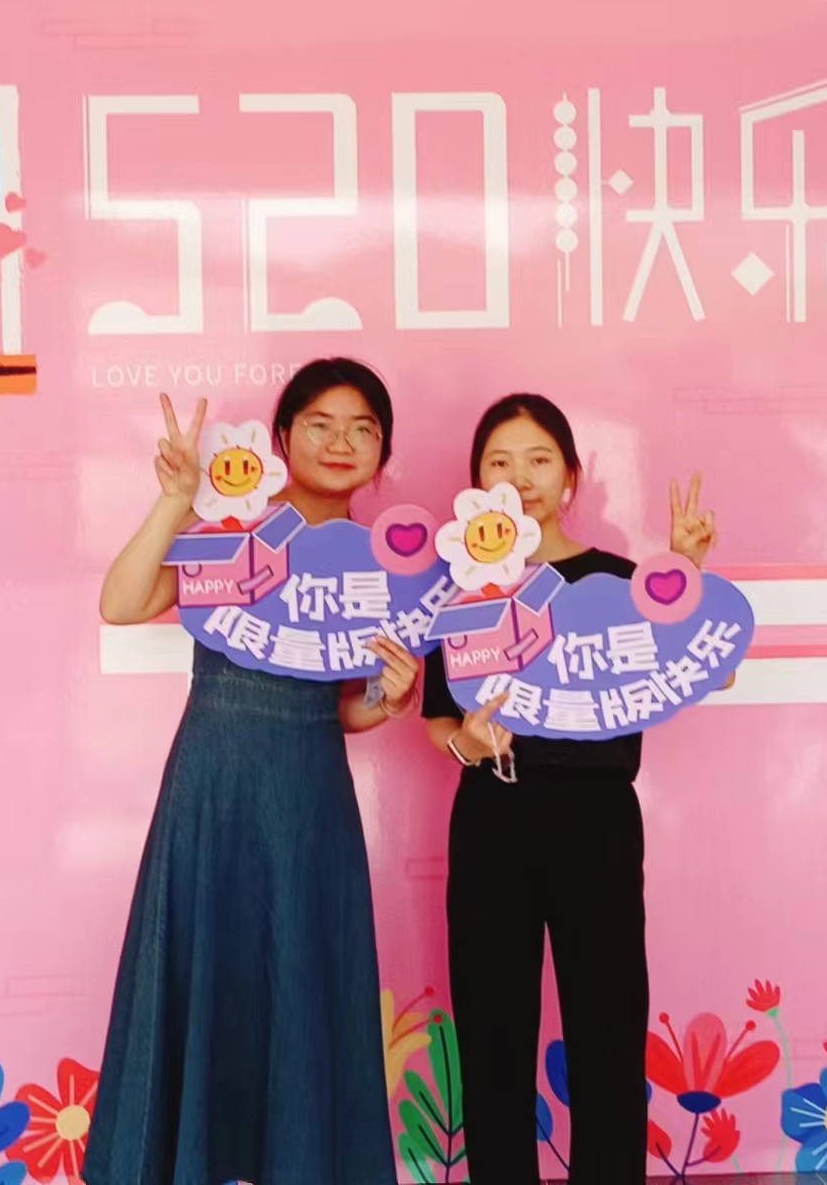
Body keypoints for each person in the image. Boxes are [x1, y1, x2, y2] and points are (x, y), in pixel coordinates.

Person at [86, 358, 420, 1185]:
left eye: (363, 429)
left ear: (381, 453)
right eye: (320, 424)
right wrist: (175, 500)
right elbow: (121, 603)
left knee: (300, 974)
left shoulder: (380, 568)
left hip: (309, 791)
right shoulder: (232, 535)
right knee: (204, 971)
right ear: (281, 437)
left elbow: (343, 708)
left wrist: (391, 697)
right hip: (213, 783)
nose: (340, 442)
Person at [420, 393, 722, 1185]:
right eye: (499, 462)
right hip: (493, 815)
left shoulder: (620, 582)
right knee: (492, 1037)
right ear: (476, 483)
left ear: (570, 478)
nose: (519, 477)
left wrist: (684, 573)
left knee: (608, 1034)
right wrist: (465, 744)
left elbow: (692, 666)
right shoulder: (462, 590)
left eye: (538, 459)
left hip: (597, 821)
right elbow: (438, 717)